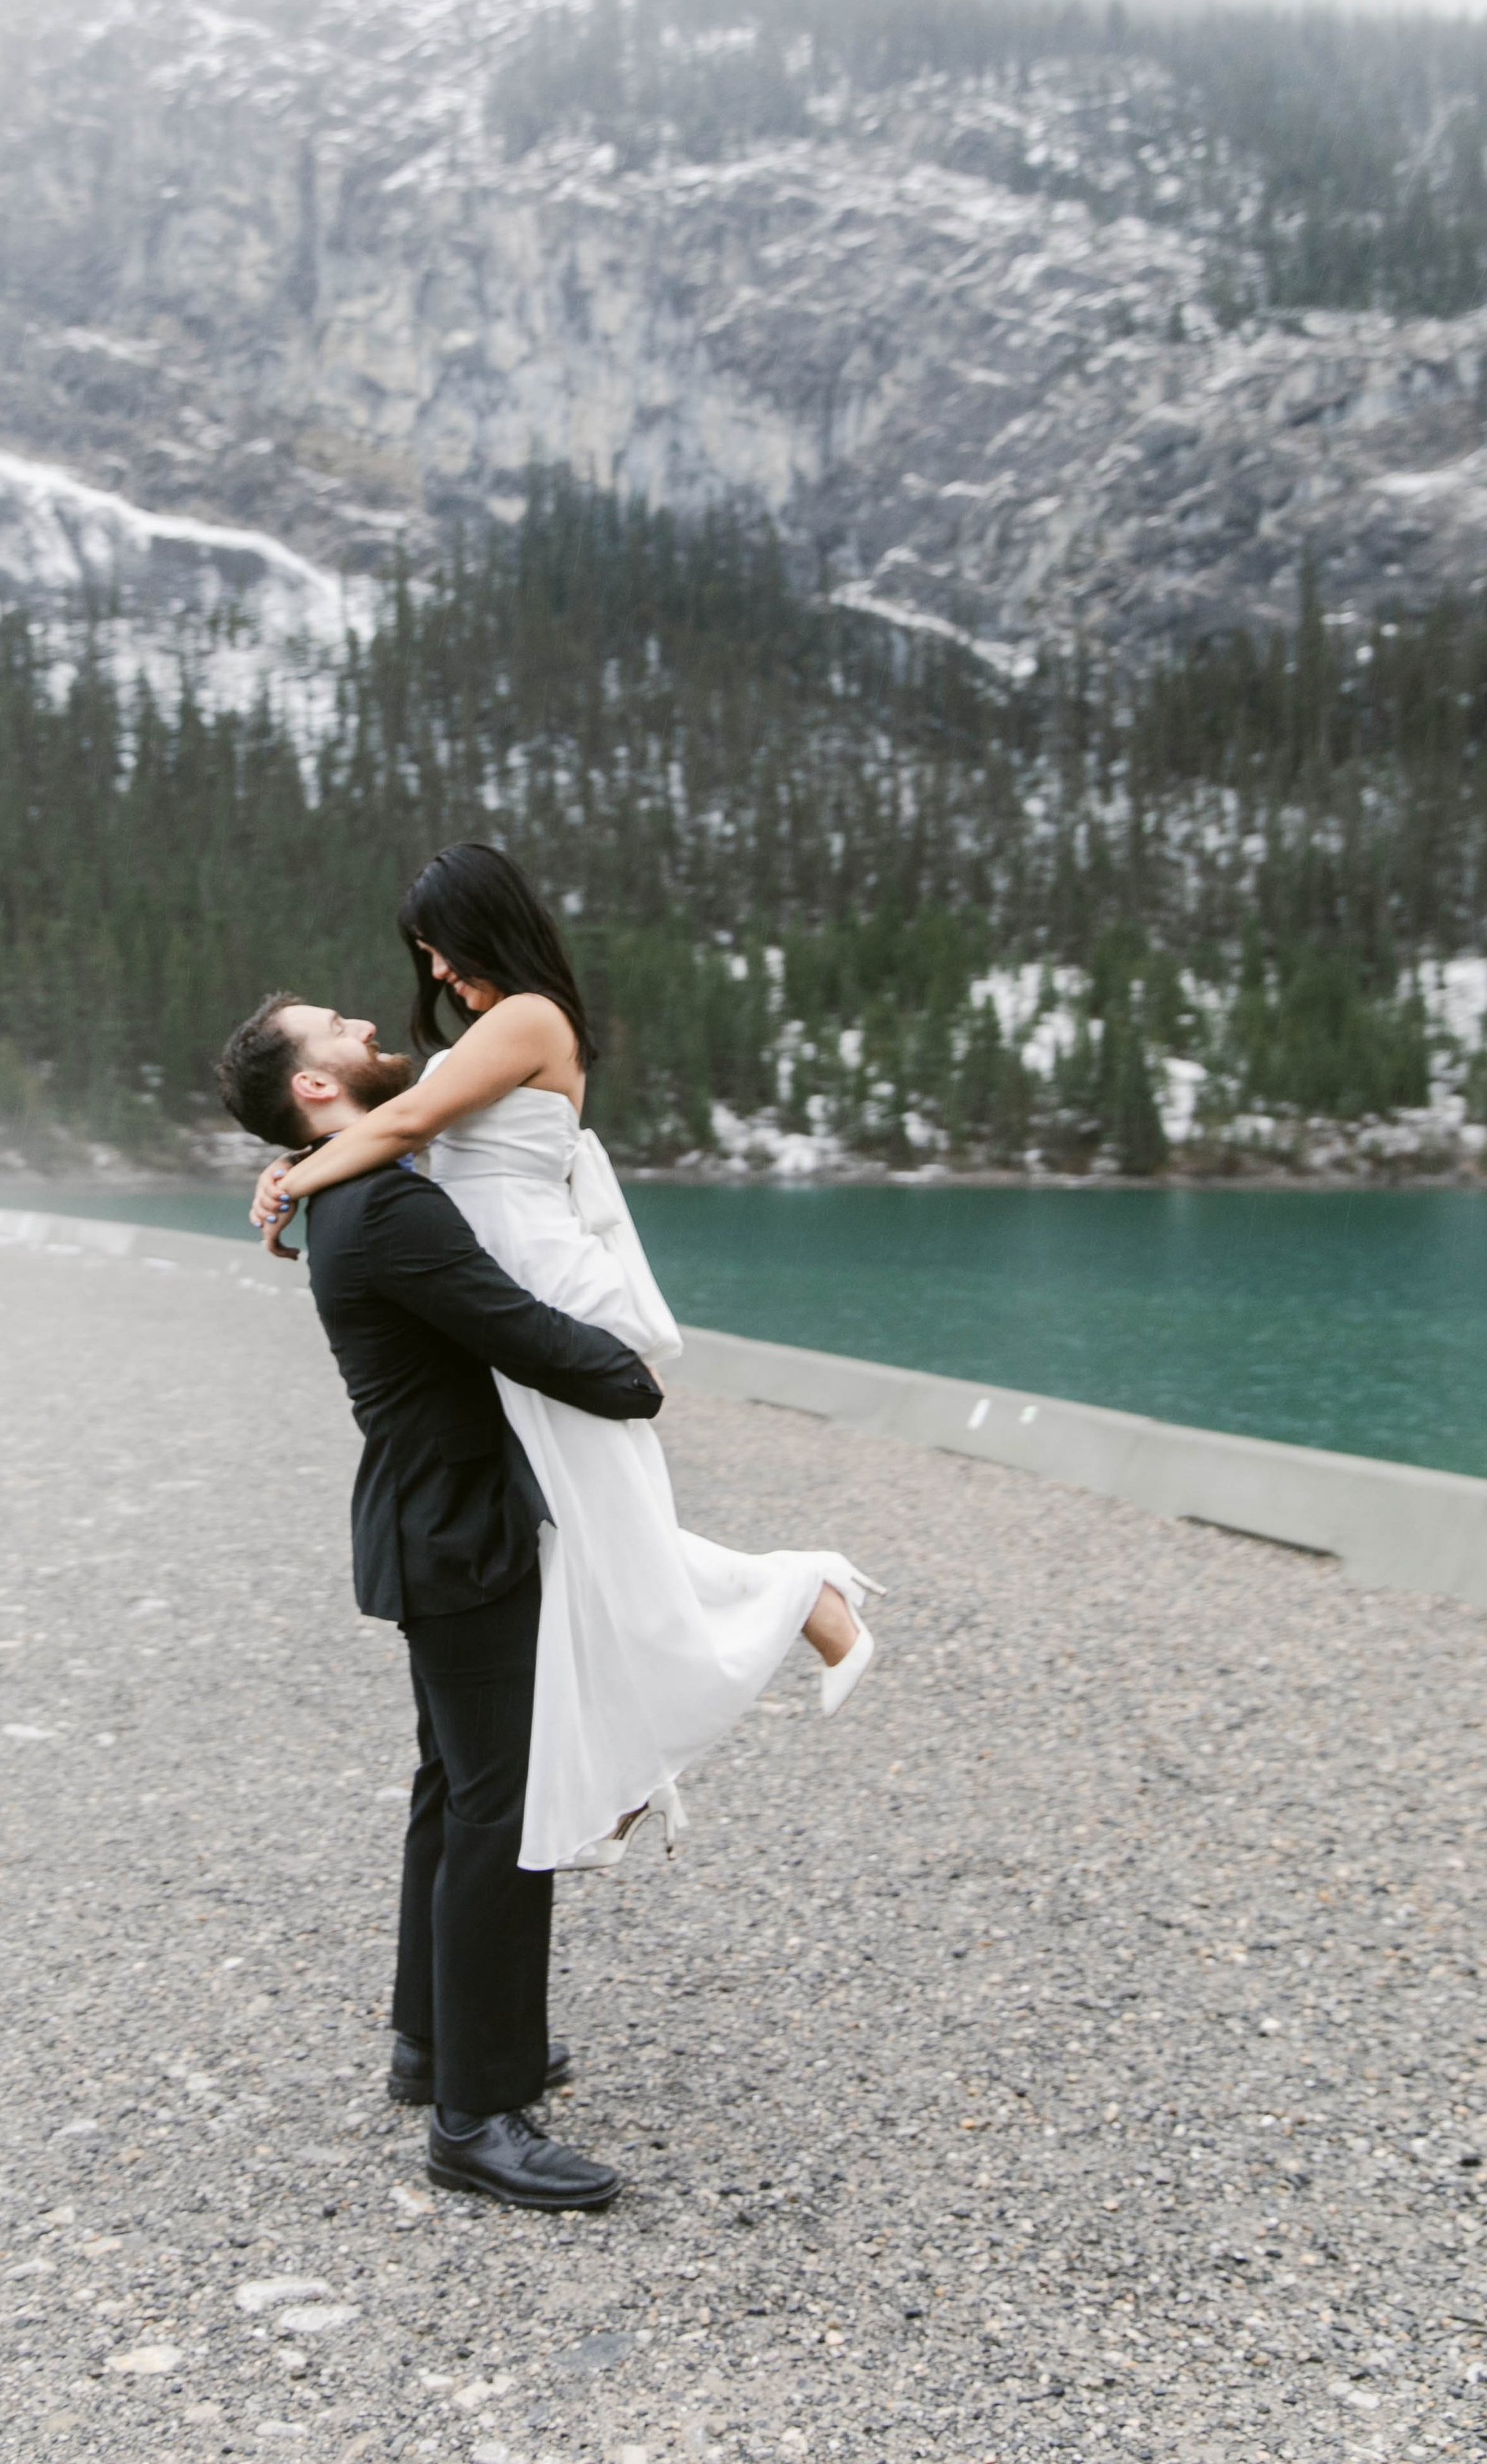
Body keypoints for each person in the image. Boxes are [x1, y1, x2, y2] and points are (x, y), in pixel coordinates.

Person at [249, 843, 883, 1883]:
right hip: (504, 1309)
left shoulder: (531, 1019)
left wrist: (296, 1176)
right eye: (426, 962)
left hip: (553, 1300)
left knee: (610, 1537)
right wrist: (283, 1167)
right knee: (580, 1546)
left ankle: (803, 1596)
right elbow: (372, 1120)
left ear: (485, 924)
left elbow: (400, 1123)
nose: (439, 978)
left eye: (442, 952)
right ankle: (627, 1772)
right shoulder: (480, 1038)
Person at [215, 991, 660, 2213]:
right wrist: (634, 1381)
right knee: (500, 1813)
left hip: (427, 1522)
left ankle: (432, 2048)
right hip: (457, 1532)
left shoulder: (347, 1185)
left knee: (451, 1790)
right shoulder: (385, 1207)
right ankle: (478, 2113)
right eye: (337, 1030)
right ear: (316, 1089)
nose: (367, 1024)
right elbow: (516, 1328)